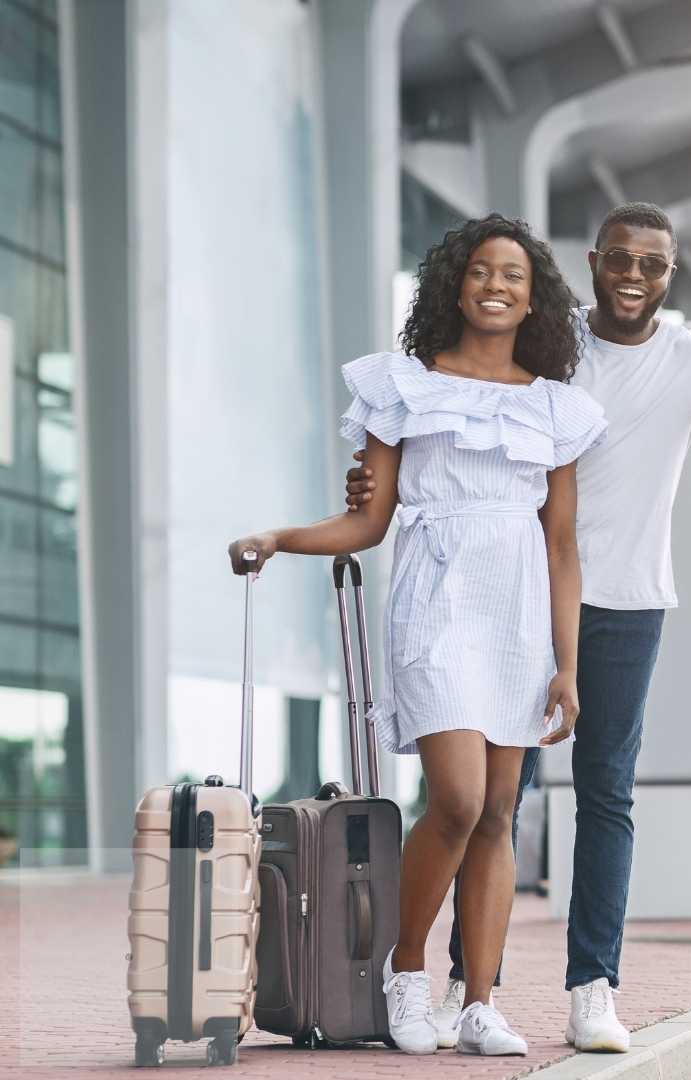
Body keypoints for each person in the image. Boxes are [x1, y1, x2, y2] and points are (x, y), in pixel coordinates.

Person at [343, 201, 691, 1054]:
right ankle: (466, 983)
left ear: (669, 275)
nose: (635, 277)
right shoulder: (546, 344)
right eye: (620, 259)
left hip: (628, 604)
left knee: (606, 795)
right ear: (595, 261)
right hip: (516, 596)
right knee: (495, 801)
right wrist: (373, 481)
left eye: (653, 264)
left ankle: (591, 988)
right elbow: (455, 401)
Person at [229, 214, 606, 1056]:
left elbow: (563, 544)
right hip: (437, 597)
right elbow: (368, 520)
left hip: (518, 607)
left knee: (501, 811)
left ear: (535, 295)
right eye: (480, 271)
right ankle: (404, 971)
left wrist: (567, 666)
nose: (496, 286)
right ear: (453, 284)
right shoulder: (404, 387)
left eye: (514, 275)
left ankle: (477, 1003)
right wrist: (279, 538)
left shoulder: (558, 409)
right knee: (459, 800)